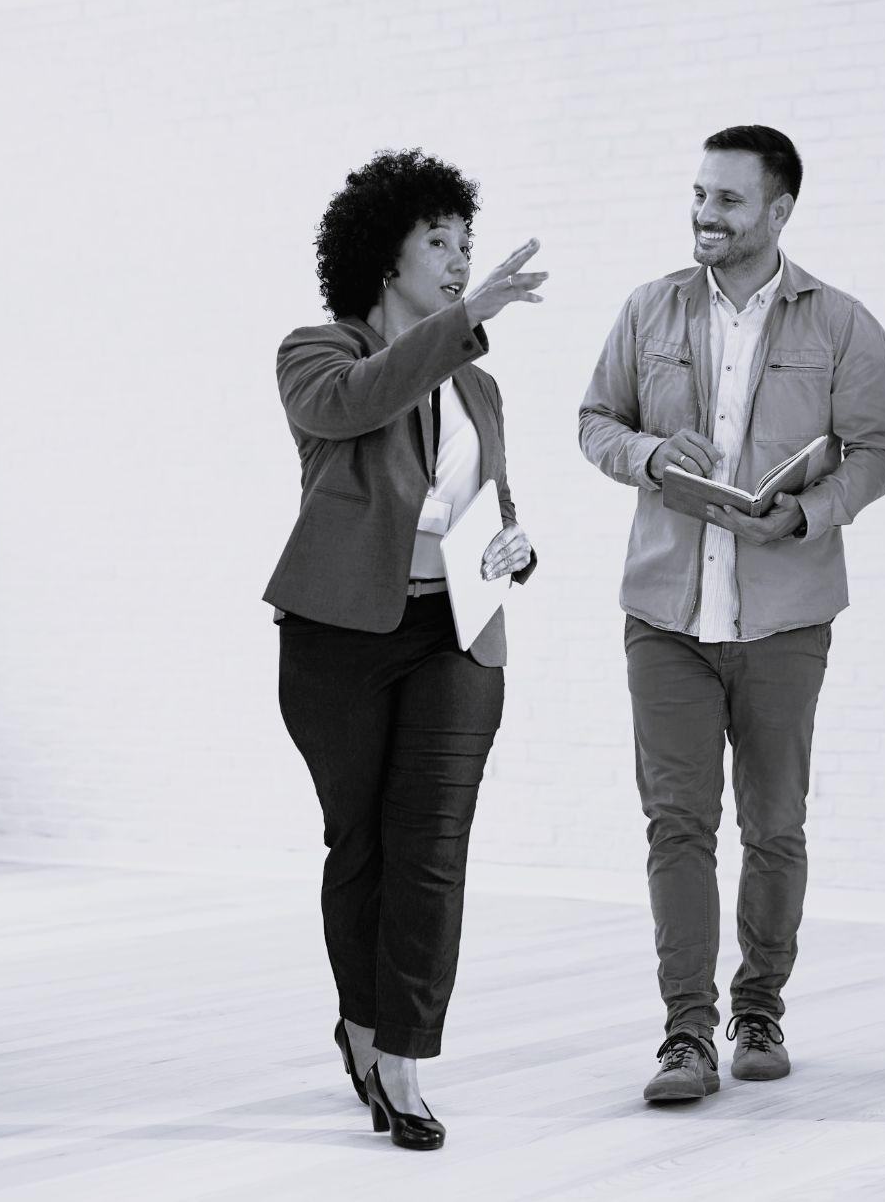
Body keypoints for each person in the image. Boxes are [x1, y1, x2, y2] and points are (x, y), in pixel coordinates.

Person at [579, 125, 885, 1102]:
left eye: (725, 199)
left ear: (777, 211)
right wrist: (644, 457)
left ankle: (756, 1006)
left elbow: (879, 452)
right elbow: (594, 421)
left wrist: (812, 511)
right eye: (697, 194)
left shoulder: (841, 325)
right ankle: (684, 1033)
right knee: (675, 824)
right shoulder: (647, 310)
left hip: (785, 620)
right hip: (664, 617)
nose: (703, 214)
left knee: (774, 826)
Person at [264, 149, 548, 1151]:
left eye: (466, 244)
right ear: (385, 255)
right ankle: (359, 1021)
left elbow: (491, 511)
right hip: (338, 638)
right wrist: (468, 323)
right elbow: (358, 402)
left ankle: (401, 1061)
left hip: (456, 636)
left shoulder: (480, 388)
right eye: (440, 241)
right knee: (364, 846)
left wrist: (516, 546)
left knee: (431, 851)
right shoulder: (315, 354)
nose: (461, 257)